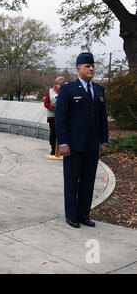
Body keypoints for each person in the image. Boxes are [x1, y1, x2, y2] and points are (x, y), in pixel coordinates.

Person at [55, 52, 108, 229]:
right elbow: (61, 118)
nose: (91, 68)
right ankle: (71, 215)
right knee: (71, 181)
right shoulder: (68, 89)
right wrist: (62, 143)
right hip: (73, 146)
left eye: (92, 66)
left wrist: (103, 141)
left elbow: (102, 118)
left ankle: (84, 214)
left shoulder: (99, 90)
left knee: (88, 181)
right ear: (78, 69)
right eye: (87, 66)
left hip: (92, 145)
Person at [44, 76, 65, 155]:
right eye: (59, 84)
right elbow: (46, 103)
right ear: (56, 84)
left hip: (62, 115)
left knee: (61, 132)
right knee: (53, 132)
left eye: (62, 84)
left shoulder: (65, 91)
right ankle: (53, 148)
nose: (61, 86)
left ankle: (60, 149)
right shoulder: (50, 91)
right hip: (52, 116)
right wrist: (51, 108)